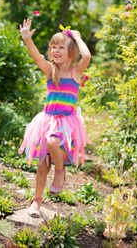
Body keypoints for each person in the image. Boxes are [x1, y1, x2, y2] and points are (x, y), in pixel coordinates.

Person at [18, 18, 92, 218]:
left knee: (53, 143)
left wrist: (76, 37)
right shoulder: (50, 71)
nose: (55, 50)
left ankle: (60, 172)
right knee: (42, 167)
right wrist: (27, 39)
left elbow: (87, 56)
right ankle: (36, 203)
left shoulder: (76, 72)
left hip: (66, 123)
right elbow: (36, 57)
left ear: (72, 53)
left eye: (61, 47)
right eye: (53, 47)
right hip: (48, 120)